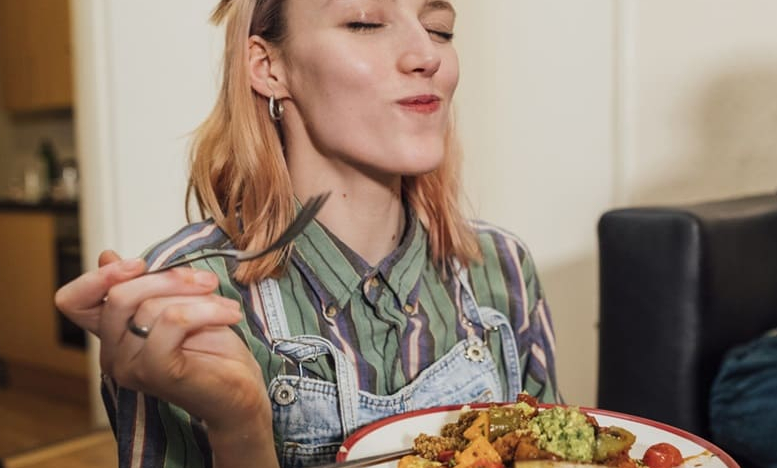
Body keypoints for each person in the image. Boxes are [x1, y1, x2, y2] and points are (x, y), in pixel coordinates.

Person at [53, 1, 561, 467]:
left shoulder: (503, 267)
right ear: (268, 67)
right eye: (365, 22)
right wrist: (241, 424)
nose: (426, 54)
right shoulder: (191, 304)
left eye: (439, 29)